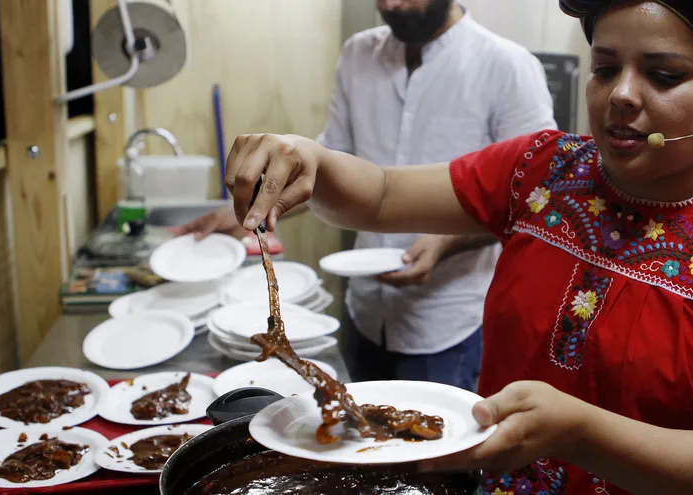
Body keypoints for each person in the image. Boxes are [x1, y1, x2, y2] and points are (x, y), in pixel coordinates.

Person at [226, 1, 693, 493]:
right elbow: (384, 195)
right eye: (606, 67)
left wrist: (579, 433)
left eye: (664, 75)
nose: (622, 95)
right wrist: (308, 156)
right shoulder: (543, 171)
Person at [178, 0, 556, 392]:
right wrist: (249, 207)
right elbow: (323, 170)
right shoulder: (358, 54)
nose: (392, 4)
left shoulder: (507, 65)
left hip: (446, 320)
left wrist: (447, 242)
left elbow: (533, 196)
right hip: (364, 310)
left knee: (428, 449)